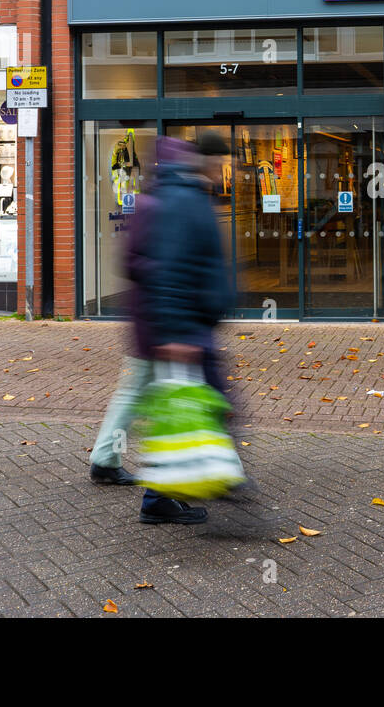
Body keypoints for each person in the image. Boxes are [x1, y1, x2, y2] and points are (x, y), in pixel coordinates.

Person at [89, 133, 236, 525]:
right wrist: (175, 316)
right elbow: (147, 263)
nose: (214, 169)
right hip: (164, 324)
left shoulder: (156, 201)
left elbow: (140, 261)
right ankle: (174, 484)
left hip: (157, 321)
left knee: (149, 395)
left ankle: (113, 461)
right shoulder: (171, 204)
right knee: (177, 403)